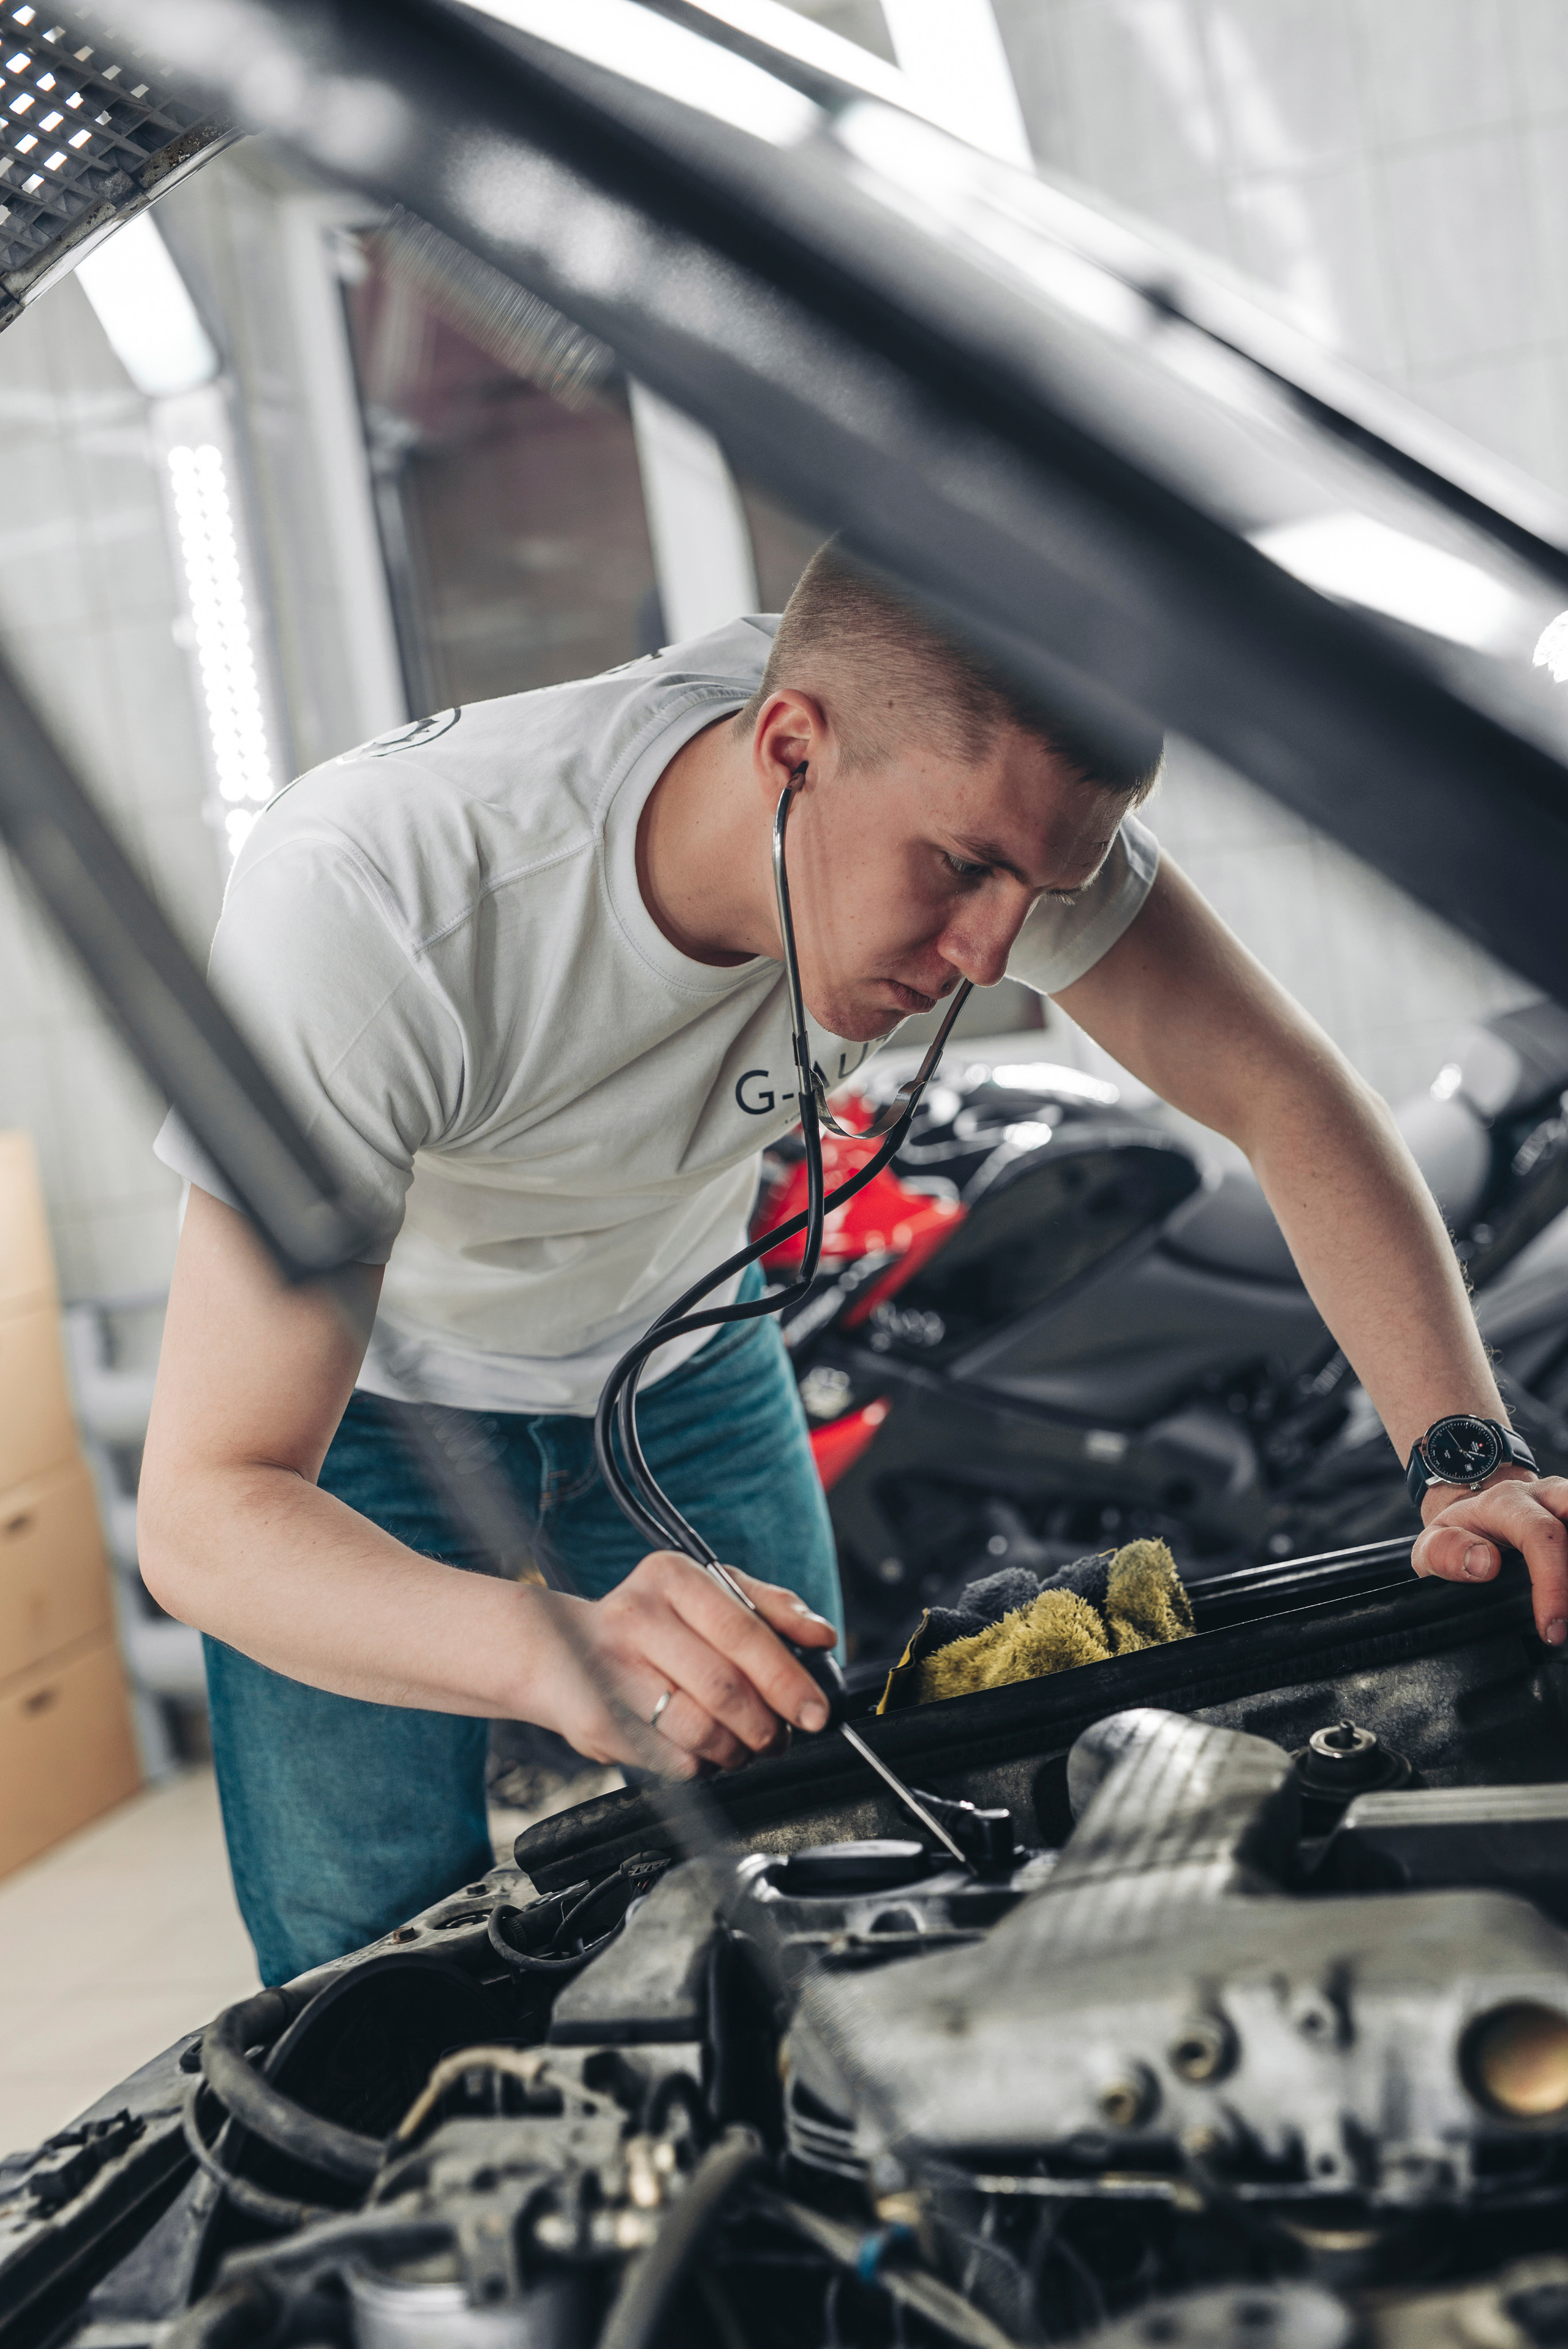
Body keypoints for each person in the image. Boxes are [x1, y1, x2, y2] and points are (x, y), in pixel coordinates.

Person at [139, 543, 1568, 1986]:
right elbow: (204, 1511)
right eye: (962, 874)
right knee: (365, 1953)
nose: (997, 951)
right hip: (365, 1401)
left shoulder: (973, 780)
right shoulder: (378, 904)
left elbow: (1288, 1095)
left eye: (1038, 888)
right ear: (788, 748)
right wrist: (548, 1653)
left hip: (682, 1356)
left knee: (814, 1848)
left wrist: (1465, 1451)